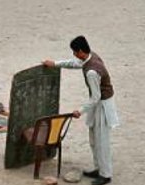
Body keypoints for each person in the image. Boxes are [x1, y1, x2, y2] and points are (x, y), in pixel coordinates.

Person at [43, 35, 119, 185]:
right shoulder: (91, 57)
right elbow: (74, 63)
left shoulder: (92, 72)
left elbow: (96, 97)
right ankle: (99, 169)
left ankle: (106, 174)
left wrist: (80, 110)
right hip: (98, 104)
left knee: (101, 141)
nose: (74, 55)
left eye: (74, 52)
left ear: (80, 51)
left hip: (102, 105)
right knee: (94, 139)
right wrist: (55, 64)